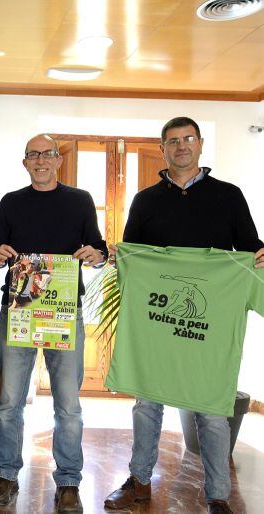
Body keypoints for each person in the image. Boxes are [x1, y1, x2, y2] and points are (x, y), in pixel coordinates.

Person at [104, 117, 264, 514]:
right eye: (173, 141)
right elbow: (132, 259)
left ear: (200, 144)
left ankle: (218, 496)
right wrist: (116, 257)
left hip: (206, 329)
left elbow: (250, 250)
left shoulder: (229, 196)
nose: (181, 146)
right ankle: (139, 481)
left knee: (211, 411)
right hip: (157, 326)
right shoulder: (145, 200)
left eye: (188, 139)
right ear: (163, 148)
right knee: (147, 406)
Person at [0, 134, 107, 513]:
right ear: (25, 162)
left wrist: (95, 255)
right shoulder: (11, 202)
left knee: (68, 405)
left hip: (64, 311)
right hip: (20, 310)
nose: (41, 160)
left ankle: (68, 482)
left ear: (58, 160)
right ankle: (6, 474)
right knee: (9, 402)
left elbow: (100, 250)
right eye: (33, 155)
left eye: (48, 154)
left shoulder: (81, 200)